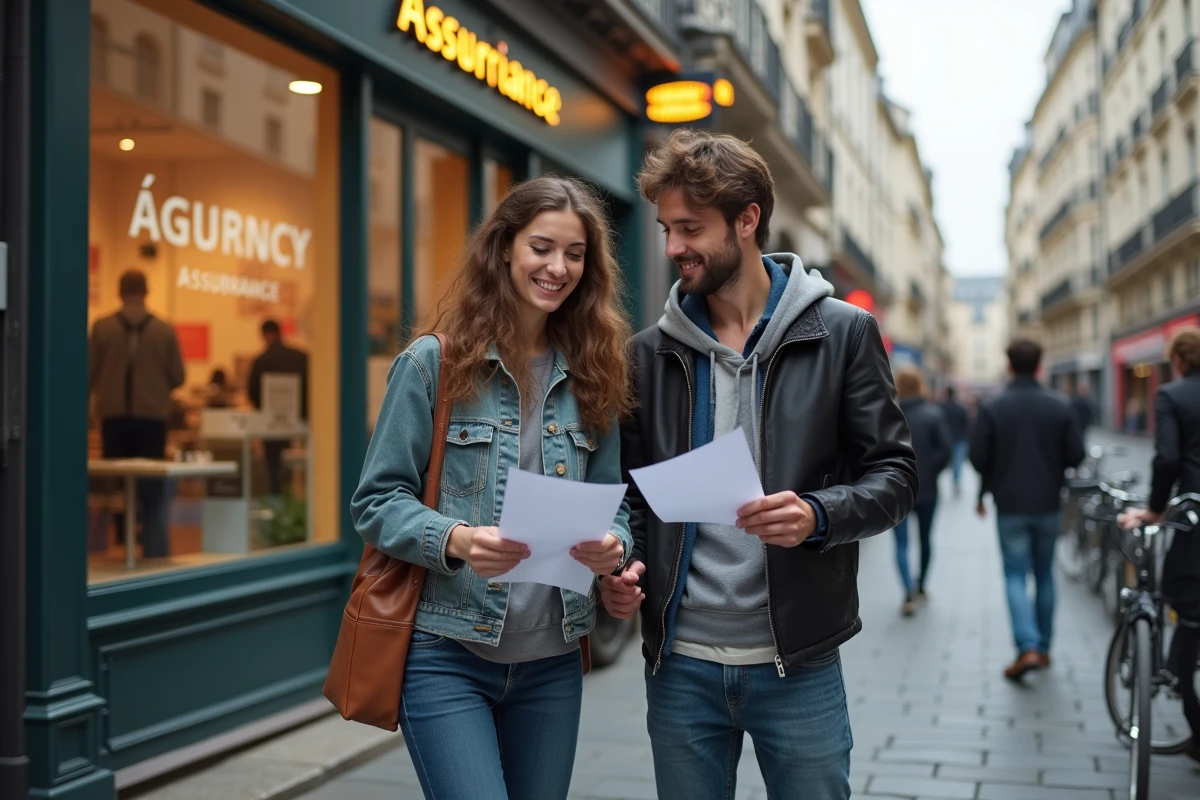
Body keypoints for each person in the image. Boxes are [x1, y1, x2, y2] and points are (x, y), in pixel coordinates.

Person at [599, 129, 918, 800]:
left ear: (746, 220)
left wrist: (818, 514)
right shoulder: (648, 354)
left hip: (798, 662)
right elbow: (632, 496)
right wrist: (624, 565)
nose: (673, 247)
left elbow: (896, 476)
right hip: (679, 667)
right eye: (666, 229)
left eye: (690, 228)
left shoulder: (843, 334)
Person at [350, 175, 634, 800]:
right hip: (446, 653)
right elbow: (375, 501)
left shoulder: (595, 373)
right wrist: (456, 538)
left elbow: (613, 507)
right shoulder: (433, 363)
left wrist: (614, 550)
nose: (558, 267)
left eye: (575, 254)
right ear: (504, 248)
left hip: (553, 660)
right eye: (541, 247)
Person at [970, 338, 1085, 681]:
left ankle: (1027, 646)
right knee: (1045, 574)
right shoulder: (1059, 404)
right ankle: (1044, 648)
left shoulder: (993, 406)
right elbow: (1076, 455)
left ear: (1008, 365)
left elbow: (978, 456)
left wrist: (992, 481)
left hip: (1010, 504)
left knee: (1015, 575)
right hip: (1048, 502)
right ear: (1039, 366)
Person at [1119, 327, 1200, 764]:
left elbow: (1167, 458)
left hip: (1194, 520)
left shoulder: (1172, 395)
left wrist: (1153, 510)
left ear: (1179, 361)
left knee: (1187, 609)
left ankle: (1196, 725)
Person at [88, 269, 185, 558]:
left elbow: (88, 373)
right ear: (146, 291)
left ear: (119, 291)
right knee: (151, 487)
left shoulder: (102, 328)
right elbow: (178, 376)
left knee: (116, 485)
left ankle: (121, 543)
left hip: (113, 417)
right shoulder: (164, 330)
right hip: (151, 418)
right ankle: (153, 549)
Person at [893, 367, 952, 616]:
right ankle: (921, 585)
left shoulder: (890, 415)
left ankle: (907, 590)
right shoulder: (933, 414)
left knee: (901, 543)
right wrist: (930, 471)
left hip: (896, 490)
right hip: (927, 488)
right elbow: (946, 450)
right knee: (925, 540)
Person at [248, 319, 308, 496]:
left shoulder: (261, 360)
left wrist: (263, 411)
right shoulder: (301, 357)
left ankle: (276, 497)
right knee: (297, 462)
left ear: (265, 335)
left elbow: (252, 392)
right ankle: (292, 498)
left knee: (273, 464)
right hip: (299, 421)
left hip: (271, 422)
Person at [940, 385, 970, 496]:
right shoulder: (961, 408)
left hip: (946, 439)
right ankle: (956, 482)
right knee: (957, 463)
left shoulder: (941, 408)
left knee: (944, 462)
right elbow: (966, 424)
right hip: (959, 439)